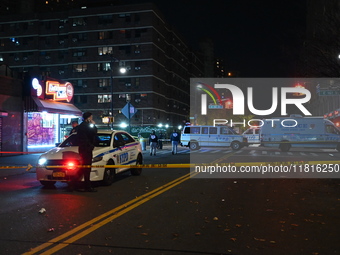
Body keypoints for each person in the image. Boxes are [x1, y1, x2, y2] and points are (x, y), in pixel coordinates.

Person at [76, 112, 98, 192]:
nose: (92, 119)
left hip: (83, 148)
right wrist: (93, 125)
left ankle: (73, 183)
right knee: (87, 167)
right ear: (88, 118)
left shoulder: (81, 126)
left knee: (84, 167)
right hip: (86, 148)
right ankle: (87, 186)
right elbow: (94, 132)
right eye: (91, 117)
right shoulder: (87, 126)